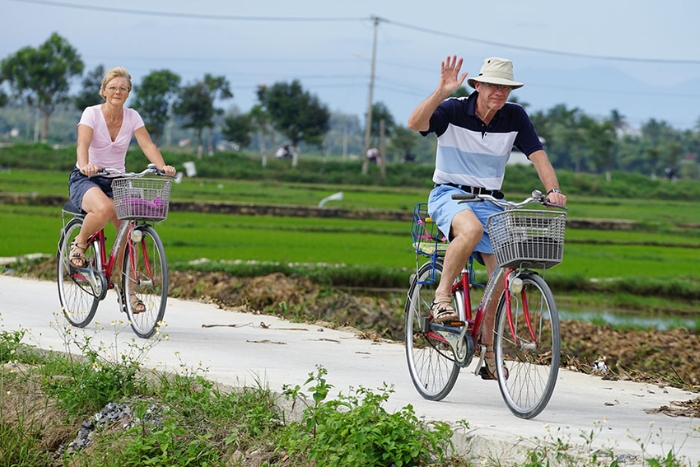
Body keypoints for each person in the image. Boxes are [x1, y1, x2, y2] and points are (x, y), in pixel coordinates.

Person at [407, 56, 567, 379]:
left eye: (505, 87)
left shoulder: (515, 117)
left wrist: (553, 191)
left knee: (505, 274)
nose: (499, 92)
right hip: (449, 194)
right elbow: (415, 123)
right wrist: (440, 91)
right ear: (477, 85)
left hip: (491, 201)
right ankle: (441, 297)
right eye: (493, 85)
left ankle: (489, 345)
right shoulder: (453, 110)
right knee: (470, 229)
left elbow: (538, 155)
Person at [67, 66, 176, 312]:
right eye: (113, 87)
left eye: (123, 88)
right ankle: (80, 243)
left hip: (118, 180)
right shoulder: (91, 113)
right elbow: (82, 144)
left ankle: (129, 292)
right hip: (87, 178)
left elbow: (147, 144)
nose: (118, 91)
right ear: (104, 91)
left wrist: (162, 166)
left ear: (128, 93)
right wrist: (85, 165)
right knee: (104, 208)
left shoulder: (132, 116)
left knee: (130, 235)